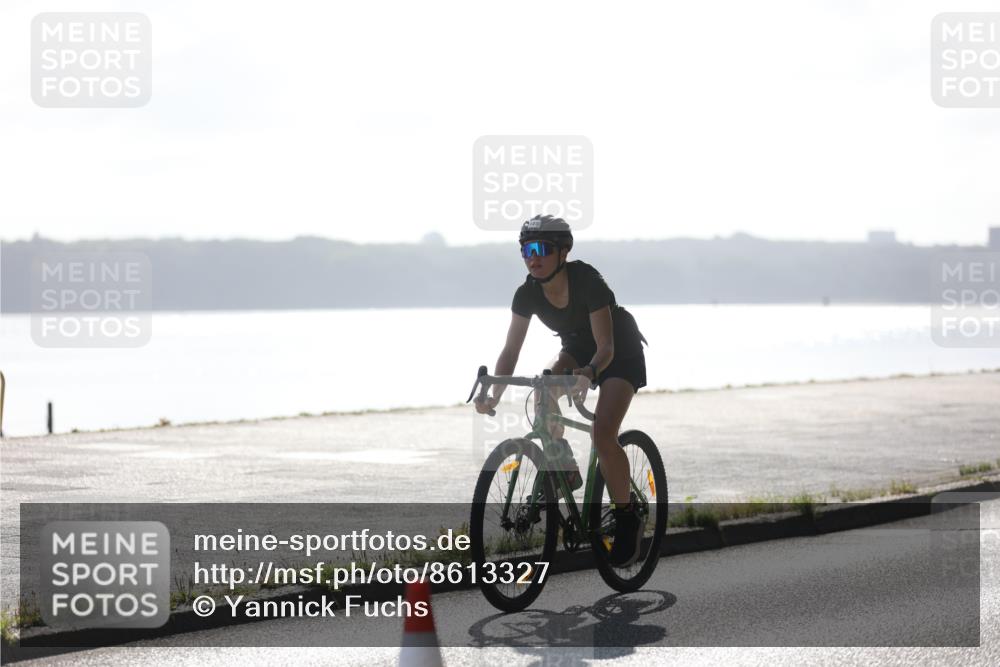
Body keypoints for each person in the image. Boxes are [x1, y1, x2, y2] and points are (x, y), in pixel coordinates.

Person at [474, 214, 649, 567]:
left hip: (618, 351)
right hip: (577, 349)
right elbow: (511, 350)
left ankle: (627, 515)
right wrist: (494, 393)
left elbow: (606, 347)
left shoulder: (587, 280)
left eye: (541, 249)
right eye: (525, 250)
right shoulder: (527, 293)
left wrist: (589, 374)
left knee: (603, 433)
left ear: (563, 252)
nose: (532, 257)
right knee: (543, 391)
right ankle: (565, 465)